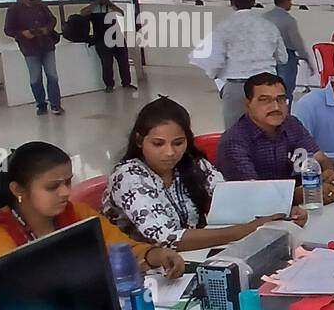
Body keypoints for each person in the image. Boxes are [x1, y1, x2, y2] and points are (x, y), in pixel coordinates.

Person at [104, 97, 303, 253]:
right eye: (158, 144)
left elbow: (231, 197)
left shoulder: (192, 163)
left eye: (178, 143)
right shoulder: (128, 176)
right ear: (139, 140)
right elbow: (168, 239)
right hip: (149, 270)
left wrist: (283, 211)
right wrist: (247, 230)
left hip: (196, 255)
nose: (170, 152)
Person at [0, 141, 185, 277]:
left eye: (68, 182)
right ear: (18, 189)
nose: (65, 192)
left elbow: (124, 249)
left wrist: (157, 254)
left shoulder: (77, 214)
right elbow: (11, 295)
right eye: (53, 186)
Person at [216, 72, 334, 204]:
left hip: (298, 208)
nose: (275, 107)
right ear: (248, 104)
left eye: (280, 99)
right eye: (265, 100)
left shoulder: (291, 124)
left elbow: (319, 158)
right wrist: (309, 192)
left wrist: (328, 172)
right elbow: (254, 196)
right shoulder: (234, 142)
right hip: (254, 217)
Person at [191, 0, 286, 129]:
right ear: (253, 2)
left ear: (231, 2)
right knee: (268, 133)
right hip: (266, 87)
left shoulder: (224, 28)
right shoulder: (269, 26)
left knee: (234, 138)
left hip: (236, 88)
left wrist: (217, 79)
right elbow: (283, 58)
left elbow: (215, 63)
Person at [4, 0, 62, 115]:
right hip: (30, 48)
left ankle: (55, 104)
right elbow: (8, 29)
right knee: (35, 77)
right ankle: (41, 104)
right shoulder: (13, 10)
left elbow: (52, 20)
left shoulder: (39, 4)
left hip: (47, 45)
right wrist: (23, 33)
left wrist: (46, 29)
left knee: (52, 74)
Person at [80, 0, 134, 92]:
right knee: (106, 63)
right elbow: (82, 13)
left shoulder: (110, 6)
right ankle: (109, 85)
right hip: (101, 38)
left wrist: (109, 3)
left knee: (123, 60)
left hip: (116, 36)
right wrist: (96, 3)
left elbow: (121, 13)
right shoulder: (92, 8)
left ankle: (127, 82)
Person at [263, 0, 310, 96]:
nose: (291, 3)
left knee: (268, 89)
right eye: (290, 0)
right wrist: (305, 57)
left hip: (267, 56)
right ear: (285, 1)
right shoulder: (289, 20)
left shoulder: (264, 17)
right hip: (287, 57)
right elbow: (296, 41)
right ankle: (284, 112)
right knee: (285, 90)